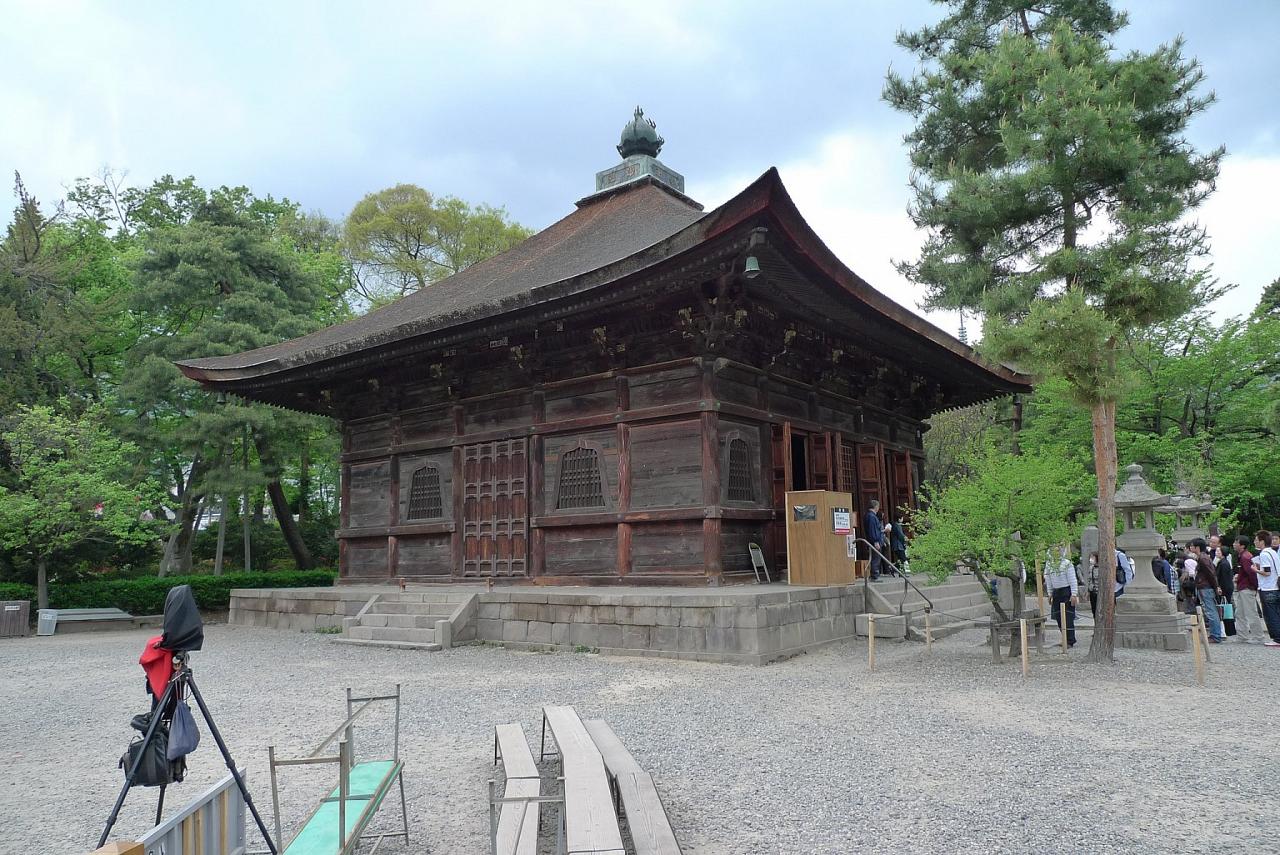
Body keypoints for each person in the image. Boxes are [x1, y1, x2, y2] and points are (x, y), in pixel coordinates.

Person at [1188, 538, 1225, 643]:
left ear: (1197, 547)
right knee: (1210, 610)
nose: (1190, 548)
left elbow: (1210, 573)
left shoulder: (1203, 558)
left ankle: (1215, 635)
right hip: (1205, 586)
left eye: (1192, 546)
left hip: (1206, 587)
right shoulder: (1203, 557)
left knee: (1211, 611)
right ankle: (1215, 634)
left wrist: (1216, 586)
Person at [1233, 535, 1266, 644]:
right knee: (1240, 613)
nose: (1234, 544)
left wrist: (1254, 587)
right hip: (1244, 587)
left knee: (1251, 613)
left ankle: (1258, 637)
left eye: (1236, 542)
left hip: (1246, 587)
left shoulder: (1245, 557)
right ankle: (1242, 636)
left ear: (1242, 545)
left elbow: (1252, 574)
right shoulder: (1245, 556)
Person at [1044, 544, 1077, 647]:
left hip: (1066, 591)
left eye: (1058, 551)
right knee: (1058, 617)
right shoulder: (1049, 564)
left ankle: (1070, 640)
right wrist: (1049, 593)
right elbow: (1048, 579)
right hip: (1056, 591)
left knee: (1068, 617)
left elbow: (1072, 580)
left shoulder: (1067, 564)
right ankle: (1064, 638)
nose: (1056, 553)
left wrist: (1074, 594)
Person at [1253, 530, 1280, 647]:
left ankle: (1277, 638)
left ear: (1262, 542)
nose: (1255, 542)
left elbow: (1267, 572)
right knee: (1276, 613)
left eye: (1256, 540)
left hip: (1268, 588)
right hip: (1276, 586)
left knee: (1270, 614)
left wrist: (1256, 570)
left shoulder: (1264, 554)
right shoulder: (1273, 552)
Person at [1210, 537, 1235, 637]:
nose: (1217, 552)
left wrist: (1220, 588)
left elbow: (1224, 579)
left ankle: (1226, 631)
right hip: (1225, 588)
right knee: (1225, 609)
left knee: (1224, 610)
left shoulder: (1223, 564)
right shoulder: (1222, 562)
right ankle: (1226, 630)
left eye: (1218, 551)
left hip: (1224, 589)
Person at [864, 500, 885, 581]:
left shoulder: (868, 515)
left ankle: (874, 575)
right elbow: (873, 530)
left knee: (875, 557)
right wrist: (876, 541)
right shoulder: (871, 517)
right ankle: (874, 575)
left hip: (872, 540)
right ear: (876, 507)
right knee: (876, 558)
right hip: (874, 541)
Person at [1084, 552, 1100, 618]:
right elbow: (1089, 580)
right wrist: (1087, 591)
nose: (1091, 559)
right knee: (1094, 610)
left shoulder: (1101, 568)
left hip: (1099, 591)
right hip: (1092, 591)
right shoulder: (1091, 568)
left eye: (1092, 557)